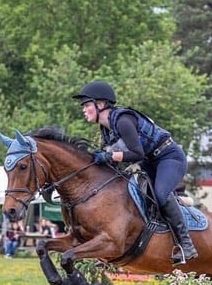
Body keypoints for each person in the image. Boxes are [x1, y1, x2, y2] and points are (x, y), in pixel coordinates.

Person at [72, 80, 197, 265]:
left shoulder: (123, 121)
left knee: (161, 195)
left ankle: (187, 244)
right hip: (149, 161)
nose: (83, 109)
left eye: (86, 105)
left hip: (169, 157)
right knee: (133, 194)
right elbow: (119, 159)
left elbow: (136, 153)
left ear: (100, 104)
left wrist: (110, 156)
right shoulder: (106, 129)